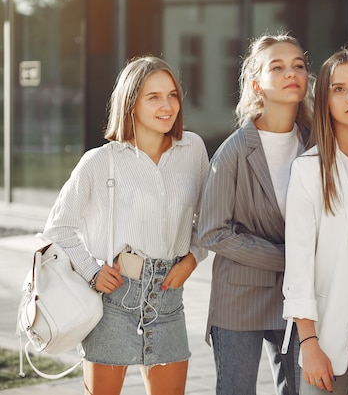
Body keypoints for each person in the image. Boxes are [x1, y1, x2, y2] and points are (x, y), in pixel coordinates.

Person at [43, 55, 210, 395]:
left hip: (168, 297)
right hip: (114, 299)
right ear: (130, 104)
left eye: (172, 95)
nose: (167, 106)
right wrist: (91, 270)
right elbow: (58, 228)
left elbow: (208, 220)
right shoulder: (99, 161)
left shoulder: (192, 149)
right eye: (154, 97)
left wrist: (193, 258)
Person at [197, 32, 314, 395]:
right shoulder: (233, 152)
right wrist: (283, 258)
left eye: (298, 65)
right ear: (257, 84)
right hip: (238, 297)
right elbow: (211, 232)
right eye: (276, 67)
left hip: (298, 297)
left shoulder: (316, 144)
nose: (290, 72)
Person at [282, 47, 348, 395]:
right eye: (338, 89)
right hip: (327, 342)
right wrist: (308, 343)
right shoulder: (309, 170)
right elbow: (298, 268)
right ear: (324, 99)